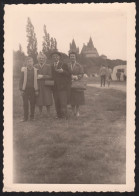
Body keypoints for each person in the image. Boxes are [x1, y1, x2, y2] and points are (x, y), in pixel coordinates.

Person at [51, 51, 71, 119]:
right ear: (52, 58)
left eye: (56, 56)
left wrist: (63, 71)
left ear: (59, 57)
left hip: (62, 87)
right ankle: (58, 115)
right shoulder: (51, 65)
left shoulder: (64, 64)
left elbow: (69, 74)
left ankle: (65, 115)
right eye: (54, 56)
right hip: (54, 87)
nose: (55, 57)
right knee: (56, 102)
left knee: (63, 102)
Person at [19, 56, 38, 122]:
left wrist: (36, 90)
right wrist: (21, 89)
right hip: (25, 89)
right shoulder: (23, 70)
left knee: (32, 103)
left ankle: (32, 117)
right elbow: (21, 80)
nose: (30, 63)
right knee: (25, 103)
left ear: (33, 62)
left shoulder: (36, 70)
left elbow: (37, 81)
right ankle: (25, 118)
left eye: (31, 61)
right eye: (28, 61)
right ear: (26, 63)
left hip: (33, 89)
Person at [35, 52, 53, 117]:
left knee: (47, 98)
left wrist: (42, 76)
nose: (41, 59)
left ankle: (48, 113)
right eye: (40, 58)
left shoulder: (48, 66)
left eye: (42, 58)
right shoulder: (35, 66)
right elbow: (34, 75)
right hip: (38, 84)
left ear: (45, 59)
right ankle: (40, 113)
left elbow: (51, 76)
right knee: (39, 99)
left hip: (46, 85)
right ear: (38, 59)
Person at [69, 52, 85, 117]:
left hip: (77, 84)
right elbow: (65, 73)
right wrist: (69, 76)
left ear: (75, 57)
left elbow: (82, 73)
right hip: (69, 84)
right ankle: (73, 111)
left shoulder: (79, 65)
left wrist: (77, 77)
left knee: (78, 98)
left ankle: (77, 111)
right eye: (71, 56)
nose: (72, 57)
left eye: (73, 56)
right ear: (69, 57)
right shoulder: (67, 65)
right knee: (71, 98)